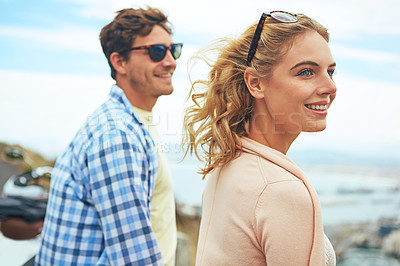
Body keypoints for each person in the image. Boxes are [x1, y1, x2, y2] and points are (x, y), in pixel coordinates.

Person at [183, 11, 337, 265]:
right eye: (307, 72)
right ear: (255, 83)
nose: (330, 87)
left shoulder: (228, 162)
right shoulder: (282, 190)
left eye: (330, 71)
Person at [36, 7, 181, 265]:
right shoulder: (118, 136)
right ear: (120, 62)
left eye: (174, 49)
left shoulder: (134, 121)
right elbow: (133, 259)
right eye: (157, 51)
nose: (170, 61)